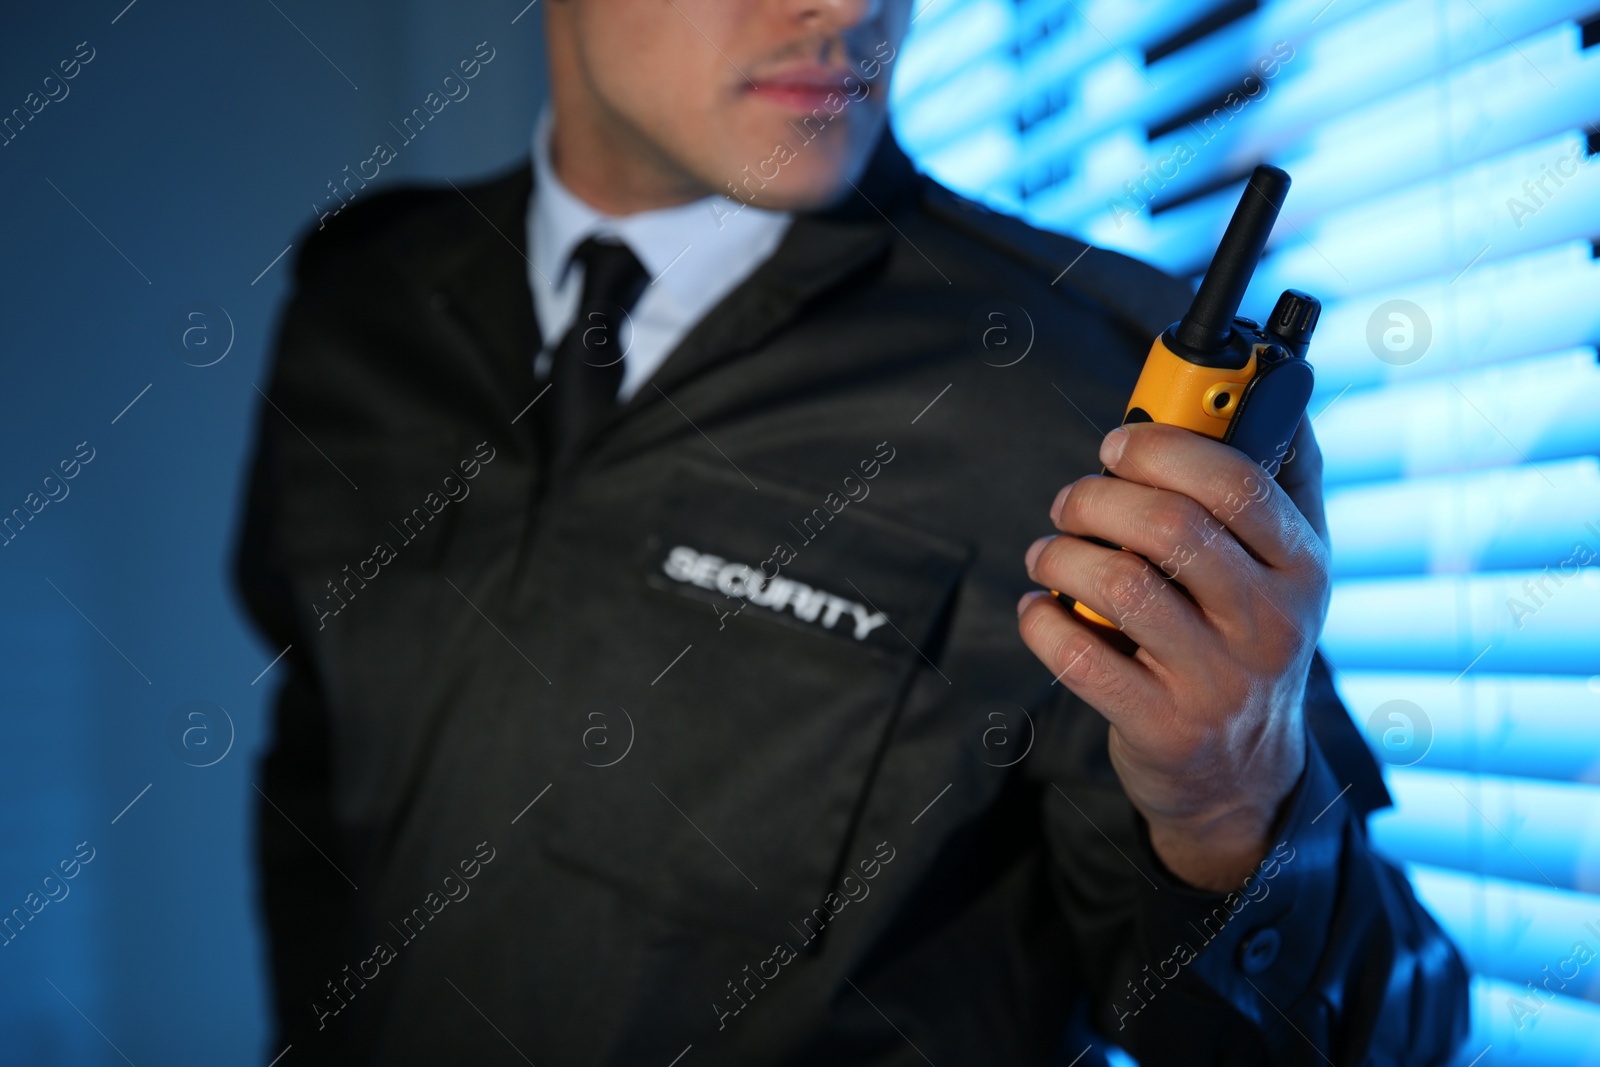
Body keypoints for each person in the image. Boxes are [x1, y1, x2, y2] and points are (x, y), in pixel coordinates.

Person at [235, 1, 1470, 1063]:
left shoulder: (1094, 405)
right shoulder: (362, 301)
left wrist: (1230, 813)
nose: (843, 8)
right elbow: (314, 784)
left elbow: (1377, 1035)